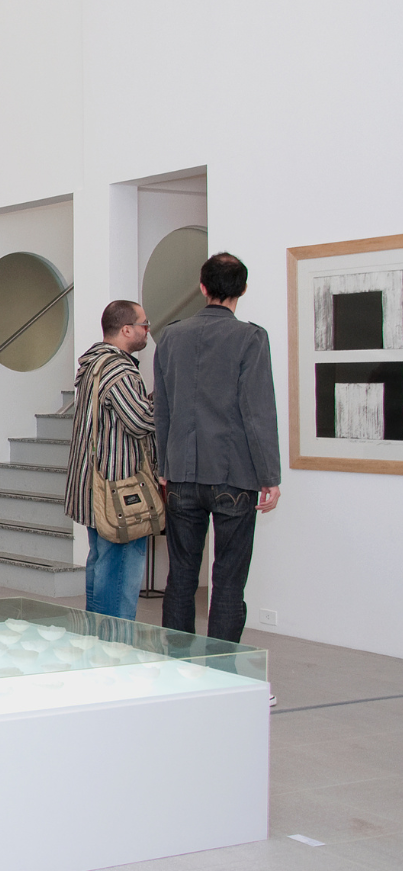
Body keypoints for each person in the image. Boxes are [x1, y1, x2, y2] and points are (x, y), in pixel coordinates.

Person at [155, 253, 281, 646]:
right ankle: (221, 670)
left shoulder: (172, 336)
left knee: (181, 575)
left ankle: (176, 665)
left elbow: (163, 408)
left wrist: (164, 465)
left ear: (202, 286)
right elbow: (257, 411)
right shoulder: (250, 338)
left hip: (181, 475)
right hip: (233, 476)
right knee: (227, 580)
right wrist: (269, 477)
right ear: (242, 289)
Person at [65, 301, 157, 621]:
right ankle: (113, 648)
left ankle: (98, 642)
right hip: (117, 490)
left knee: (102, 564)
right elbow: (140, 421)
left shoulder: (94, 363)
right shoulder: (117, 368)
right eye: (144, 324)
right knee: (118, 573)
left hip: (96, 486)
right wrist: (169, 396)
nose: (148, 330)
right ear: (126, 329)